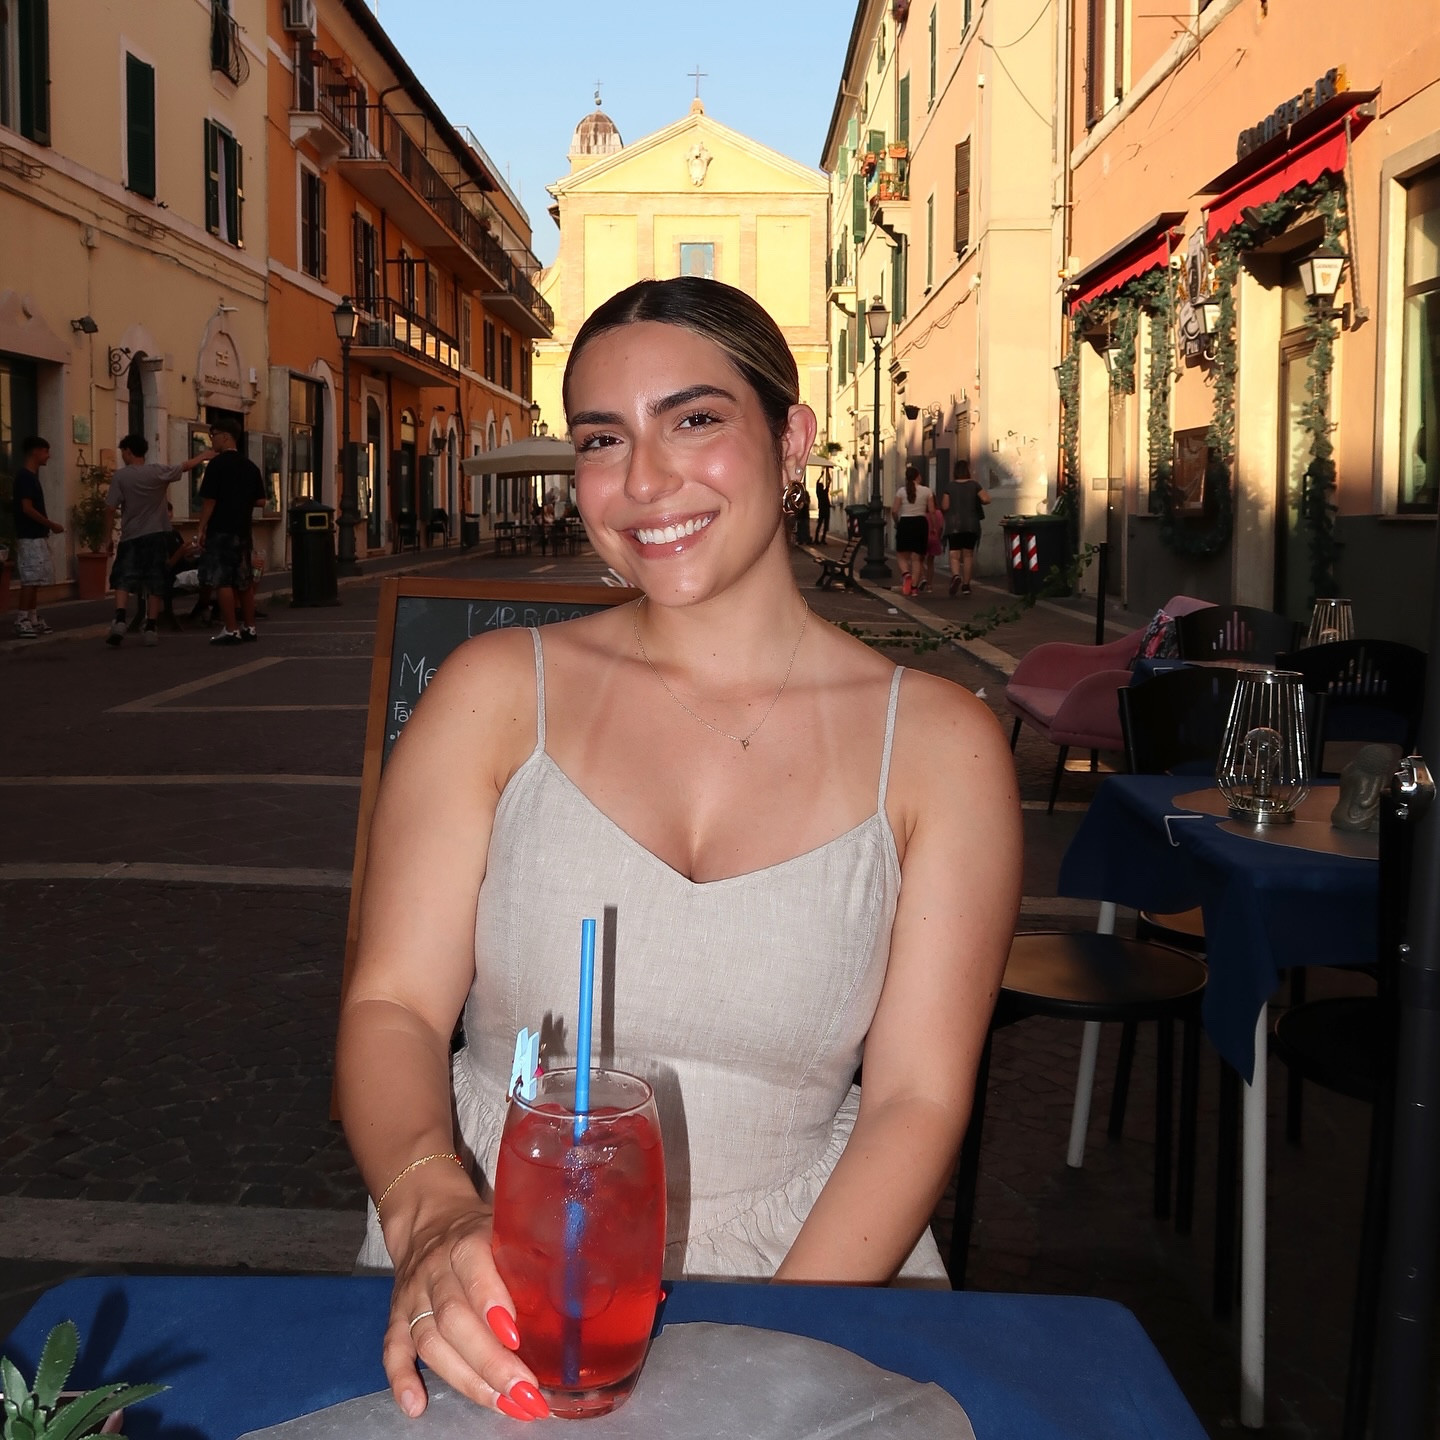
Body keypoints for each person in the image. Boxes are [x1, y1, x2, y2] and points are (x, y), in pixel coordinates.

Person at [335, 276, 1021, 1424]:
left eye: (694, 420)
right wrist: (431, 1213)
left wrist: (775, 1358)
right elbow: (394, 1007)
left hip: (818, 1266)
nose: (645, 481)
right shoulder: (496, 693)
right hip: (501, 1271)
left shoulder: (940, 748)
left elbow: (916, 1100)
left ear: (791, 438)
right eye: (604, 439)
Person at [106, 435, 212, 648]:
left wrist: (107, 537)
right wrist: (205, 455)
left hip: (131, 535)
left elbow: (110, 508)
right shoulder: (158, 472)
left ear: (127, 451)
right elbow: (185, 466)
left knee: (123, 577)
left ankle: (119, 619)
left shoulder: (121, 477)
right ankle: (151, 626)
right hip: (156, 534)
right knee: (155, 580)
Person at [196, 421, 267, 646]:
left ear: (226, 437)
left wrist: (201, 528)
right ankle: (250, 627)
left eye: (214, 434)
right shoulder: (250, 466)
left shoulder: (216, 465)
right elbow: (262, 500)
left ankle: (231, 629)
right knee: (244, 581)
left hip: (221, 529)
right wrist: (241, 501)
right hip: (243, 530)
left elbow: (209, 501)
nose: (212, 439)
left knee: (223, 581)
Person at [10, 436, 63, 638]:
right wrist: (51, 524)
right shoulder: (25, 477)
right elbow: (27, 508)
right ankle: (22, 618)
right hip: (29, 537)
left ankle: (32, 616)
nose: (48, 456)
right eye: (46, 451)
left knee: (36, 579)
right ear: (36, 451)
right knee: (30, 579)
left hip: (36, 536)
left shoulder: (32, 477)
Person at [943, 462, 991, 597]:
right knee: (968, 555)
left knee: (954, 555)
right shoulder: (974, 485)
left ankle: (956, 576)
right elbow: (987, 499)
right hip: (971, 524)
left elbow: (945, 506)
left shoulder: (950, 486)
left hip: (953, 525)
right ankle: (966, 585)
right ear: (968, 470)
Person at [891, 463, 934, 597]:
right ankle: (914, 588)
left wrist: (897, 522)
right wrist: (933, 527)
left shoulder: (901, 491)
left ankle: (906, 574)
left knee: (901, 554)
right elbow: (932, 511)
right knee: (917, 558)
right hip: (921, 523)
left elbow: (894, 510)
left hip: (906, 522)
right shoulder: (927, 491)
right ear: (917, 476)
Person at [923, 495, 945, 594]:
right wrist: (938, 538)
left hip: (923, 539)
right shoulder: (939, 513)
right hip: (934, 539)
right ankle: (929, 586)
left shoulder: (922, 513)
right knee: (930, 563)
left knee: (918, 561)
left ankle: (923, 578)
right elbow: (940, 527)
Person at [814, 474, 831, 545]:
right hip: (826, 509)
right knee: (825, 525)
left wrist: (821, 475)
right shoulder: (824, 492)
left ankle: (816, 539)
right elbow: (829, 482)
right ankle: (822, 539)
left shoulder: (819, 493)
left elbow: (817, 482)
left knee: (820, 524)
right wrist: (827, 474)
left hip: (822, 509)